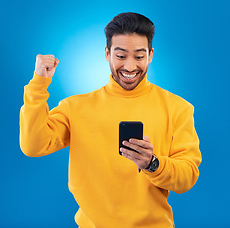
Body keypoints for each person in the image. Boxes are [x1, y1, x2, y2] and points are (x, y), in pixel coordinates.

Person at [20, 12, 202, 228]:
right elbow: (33, 146)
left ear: (151, 55)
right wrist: (39, 84)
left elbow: (187, 177)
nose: (130, 67)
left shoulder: (177, 108)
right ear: (107, 53)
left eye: (139, 56)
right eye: (121, 55)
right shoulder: (75, 107)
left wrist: (152, 163)